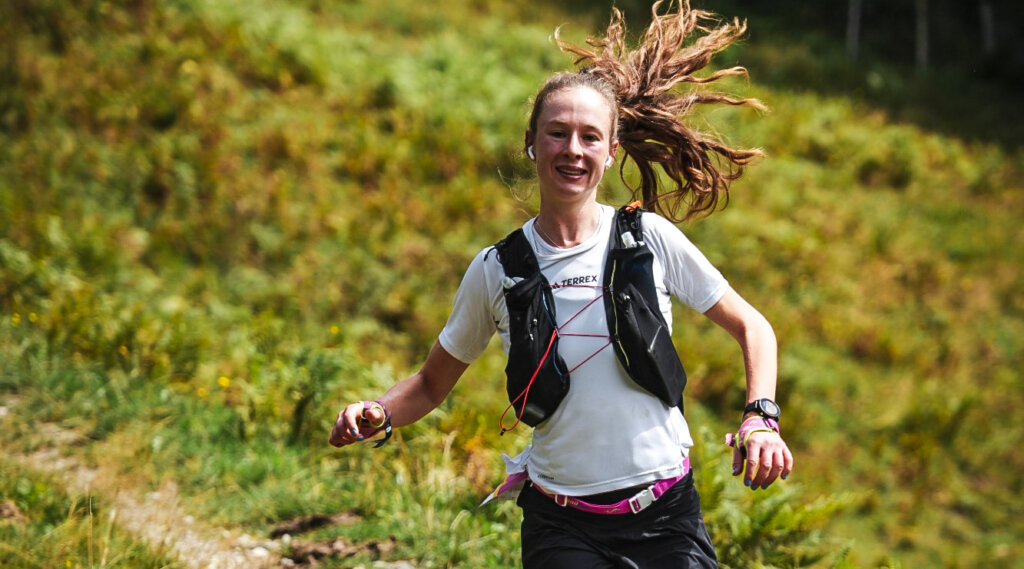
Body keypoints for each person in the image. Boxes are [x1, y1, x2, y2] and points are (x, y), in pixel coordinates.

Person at [330, 2, 793, 567]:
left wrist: (760, 416)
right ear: (532, 143)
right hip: (561, 525)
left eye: (589, 137)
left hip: (667, 518)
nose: (573, 150)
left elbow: (753, 327)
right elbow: (429, 385)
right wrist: (377, 410)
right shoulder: (497, 268)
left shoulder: (648, 237)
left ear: (610, 151)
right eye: (557, 134)